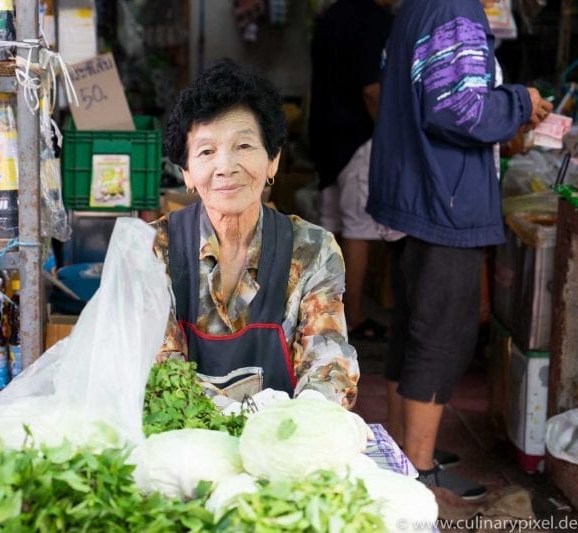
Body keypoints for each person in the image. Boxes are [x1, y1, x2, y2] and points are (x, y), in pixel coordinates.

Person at [367, 0, 552, 500]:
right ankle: (419, 473)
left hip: (417, 190)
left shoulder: (419, 7)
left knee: (413, 327)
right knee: (441, 335)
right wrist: (520, 101)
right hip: (443, 198)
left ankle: (402, 451)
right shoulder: (455, 10)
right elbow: (458, 108)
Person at [153, 58, 359, 409]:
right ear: (186, 172)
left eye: (244, 146)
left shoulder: (312, 251)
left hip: (280, 446)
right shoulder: (155, 250)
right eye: (206, 152)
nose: (225, 167)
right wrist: (229, 419)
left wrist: (293, 426)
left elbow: (330, 369)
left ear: (273, 160)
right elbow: (157, 371)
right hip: (182, 445)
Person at [308, 0, 404, 342]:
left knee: (330, 225)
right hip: (359, 136)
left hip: (327, 135)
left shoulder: (331, 15)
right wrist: (391, 136)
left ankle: (319, 311)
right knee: (358, 229)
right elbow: (372, 90)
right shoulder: (377, 20)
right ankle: (352, 315)